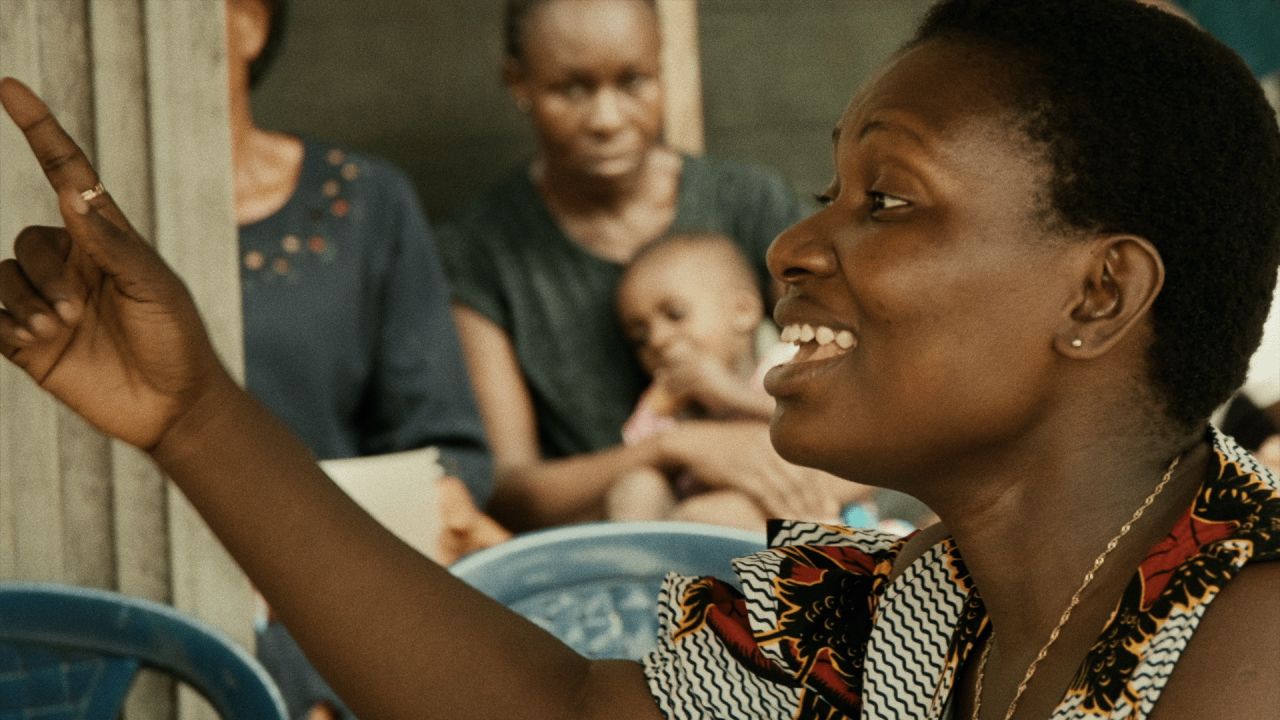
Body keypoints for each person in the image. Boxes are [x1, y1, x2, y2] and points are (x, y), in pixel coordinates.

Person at [2, 1, 1278, 719]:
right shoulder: (903, 616)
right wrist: (193, 419)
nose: (791, 241)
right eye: (827, 186)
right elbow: (547, 713)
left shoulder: (1249, 637)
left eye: (884, 199)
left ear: (1098, 293)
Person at [437, 0, 841, 532]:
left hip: (787, 500)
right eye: (571, 90)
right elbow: (511, 492)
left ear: (665, 68)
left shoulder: (750, 203)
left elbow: (862, 397)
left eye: (634, 81)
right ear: (519, 82)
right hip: (604, 538)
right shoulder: (480, 250)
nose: (607, 119)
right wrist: (677, 448)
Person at [225, 1, 504, 717]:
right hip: (175, 581)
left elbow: (446, 445)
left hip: (351, 564)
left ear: (245, 22)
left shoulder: (365, 200)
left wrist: (431, 497)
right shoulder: (82, 226)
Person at [608, 232, 873, 529]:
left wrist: (730, 393)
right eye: (640, 337)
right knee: (636, 486)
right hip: (696, 533)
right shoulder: (662, 407)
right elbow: (636, 457)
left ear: (742, 311)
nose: (657, 339)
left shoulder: (788, 363)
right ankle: (637, 569)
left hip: (816, 531)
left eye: (675, 315)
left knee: (706, 516)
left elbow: (852, 431)